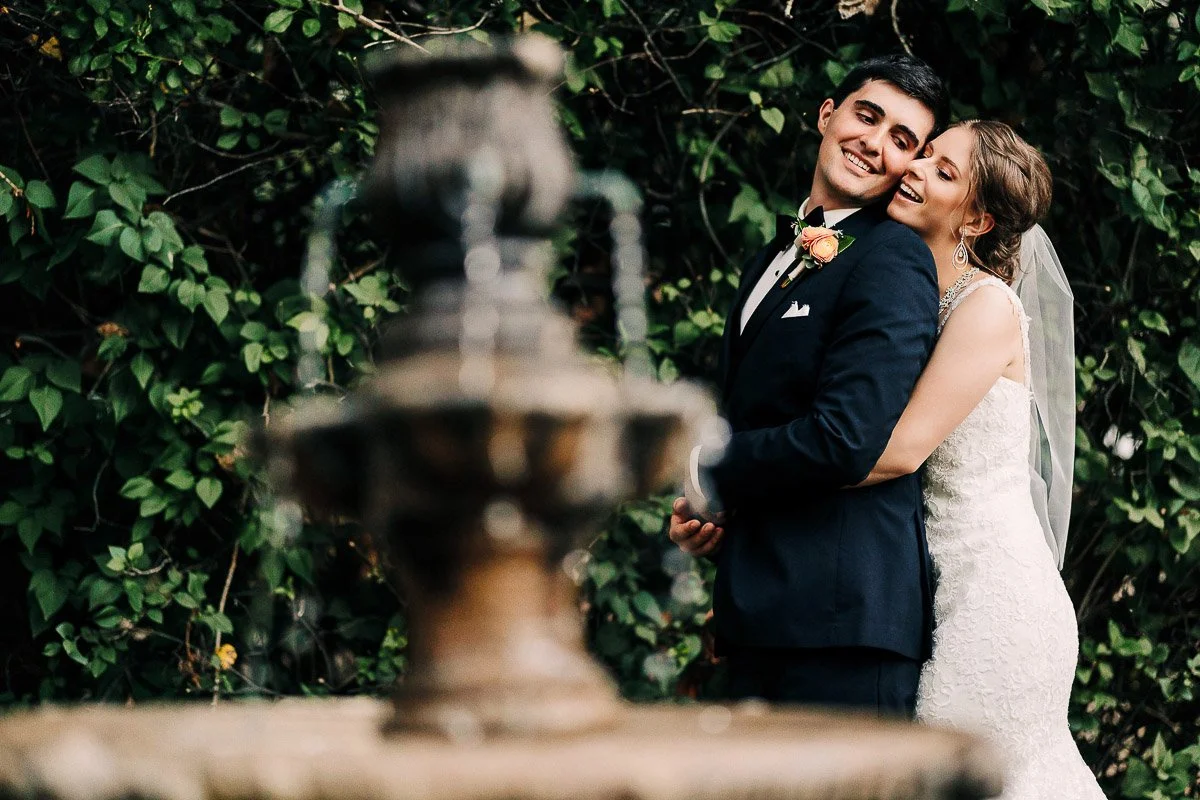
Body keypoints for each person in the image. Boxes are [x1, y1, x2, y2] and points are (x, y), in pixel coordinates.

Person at [668, 54, 949, 715]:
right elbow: (766, 418)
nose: (875, 144)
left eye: (902, 141)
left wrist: (705, 466)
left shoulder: (891, 259)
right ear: (828, 114)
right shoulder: (771, 258)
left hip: (841, 629)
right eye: (867, 115)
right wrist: (714, 518)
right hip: (764, 613)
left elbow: (845, 438)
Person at [858, 120, 1103, 799]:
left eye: (941, 171)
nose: (913, 167)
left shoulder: (986, 306)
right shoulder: (918, 296)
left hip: (996, 601)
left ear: (977, 217)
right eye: (926, 154)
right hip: (941, 587)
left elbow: (901, 451)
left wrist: (764, 477)